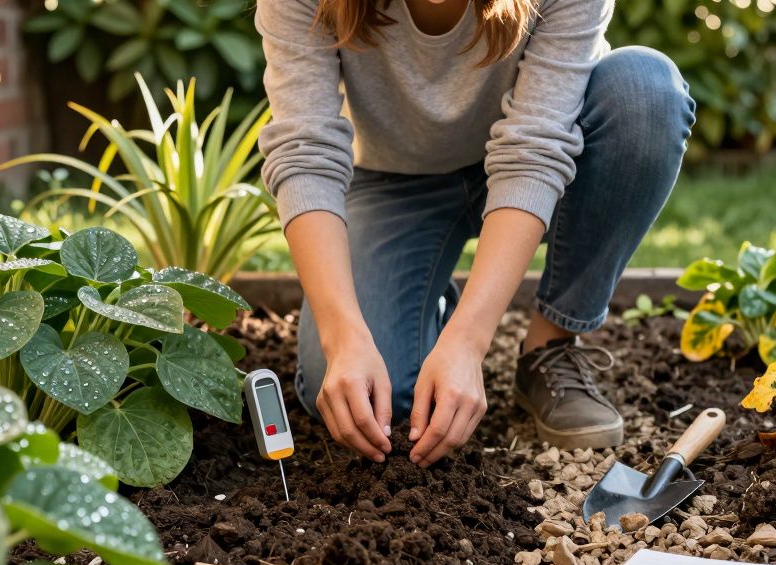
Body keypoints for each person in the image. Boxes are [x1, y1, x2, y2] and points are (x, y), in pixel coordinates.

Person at [256, 0, 694, 468]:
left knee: (645, 92)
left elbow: (535, 148)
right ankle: (432, 309)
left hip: (545, 168)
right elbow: (305, 150)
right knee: (366, 400)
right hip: (396, 180)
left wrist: (469, 342)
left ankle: (549, 347)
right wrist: (342, 338)